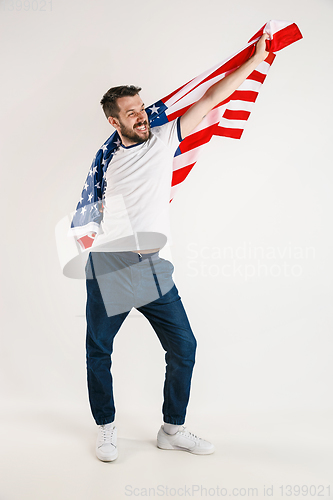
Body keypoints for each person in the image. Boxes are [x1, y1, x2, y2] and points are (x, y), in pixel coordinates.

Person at [84, 34, 269, 462]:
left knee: (184, 346)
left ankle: (172, 428)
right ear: (115, 122)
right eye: (131, 113)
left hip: (151, 268)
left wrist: (255, 60)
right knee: (99, 350)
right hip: (109, 265)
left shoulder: (165, 139)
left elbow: (209, 97)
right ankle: (107, 429)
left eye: (142, 108)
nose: (142, 116)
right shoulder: (107, 161)